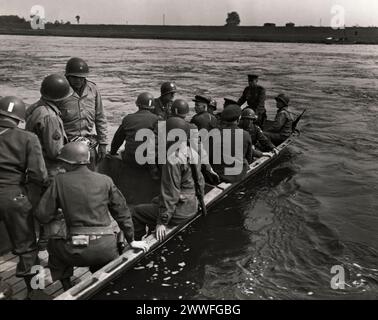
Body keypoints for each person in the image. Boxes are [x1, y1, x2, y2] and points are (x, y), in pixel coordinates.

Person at [35, 142, 149, 291]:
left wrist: (60, 213)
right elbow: (122, 212)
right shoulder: (105, 180)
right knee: (106, 259)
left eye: (63, 162)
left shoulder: (59, 181)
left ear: (68, 162)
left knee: (53, 245)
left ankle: (67, 285)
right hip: (105, 249)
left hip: (72, 250)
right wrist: (132, 240)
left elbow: (42, 215)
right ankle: (101, 281)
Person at [0, 96, 48, 299]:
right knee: (27, 247)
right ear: (19, 119)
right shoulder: (28, 138)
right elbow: (39, 174)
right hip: (13, 196)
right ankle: (36, 291)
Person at [132, 117, 205, 242]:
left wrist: (162, 221)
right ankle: (152, 228)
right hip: (192, 204)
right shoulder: (193, 153)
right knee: (155, 200)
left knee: (136, 212)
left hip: (180, 211)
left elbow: (171, 193)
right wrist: (200, 202)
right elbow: (200, 181)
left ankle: (137, 242)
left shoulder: (172, 160)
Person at [56, 57, 108, 170]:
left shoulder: (93, 89)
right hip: (66, 142)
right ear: (67, 76)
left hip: (87, 142)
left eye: (81, 78)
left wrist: (103, 143)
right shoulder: (59, 89)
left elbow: (100, 117)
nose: (78, 81)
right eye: (74, 77)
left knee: (91, 171)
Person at [26, 74, 72, 177]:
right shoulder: (51, 117)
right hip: (50, 171)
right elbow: (55, 152)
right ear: (60, 98)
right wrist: (74, 148)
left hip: (35, 166)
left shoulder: (35, 107)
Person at [210, 104, 256, 183]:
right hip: (240, 175)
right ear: (238, 120)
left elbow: (210, 157)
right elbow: (249, 157)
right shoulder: (246, 134)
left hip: (221, 175)